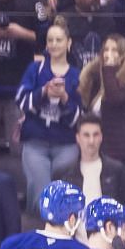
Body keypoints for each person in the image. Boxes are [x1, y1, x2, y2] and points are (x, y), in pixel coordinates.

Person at [18, 20, 83, 207]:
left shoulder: (77, 76)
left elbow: (78, 118)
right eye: (50, 40)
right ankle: (39, 229)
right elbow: (21, 102)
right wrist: (43, 91)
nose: (54, 44)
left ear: (68, 43)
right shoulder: (35, 70)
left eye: (59, 40)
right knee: (41, 189)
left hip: (65, 144)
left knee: (60, 189)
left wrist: (64, 98)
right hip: (35, 142)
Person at [52, 115, 125, 203]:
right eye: (86, 135)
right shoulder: (63, 173)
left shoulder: (117, 170)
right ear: (78, 138)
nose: (91, 141)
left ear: (101, 137)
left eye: (95, 135)